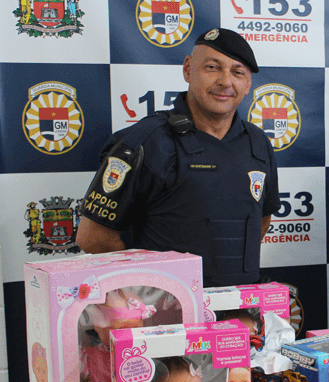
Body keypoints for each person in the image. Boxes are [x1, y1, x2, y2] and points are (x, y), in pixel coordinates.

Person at [76, 28, 280, 287]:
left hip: (240, 313)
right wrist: (158, 289)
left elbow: (260, 223)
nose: (225, 81)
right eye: (212, 67)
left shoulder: (258, 143)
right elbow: (93, 238)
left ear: (248, 83)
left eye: (237, 72)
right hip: (166, 317)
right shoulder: (145, 141)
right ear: (187, 69)